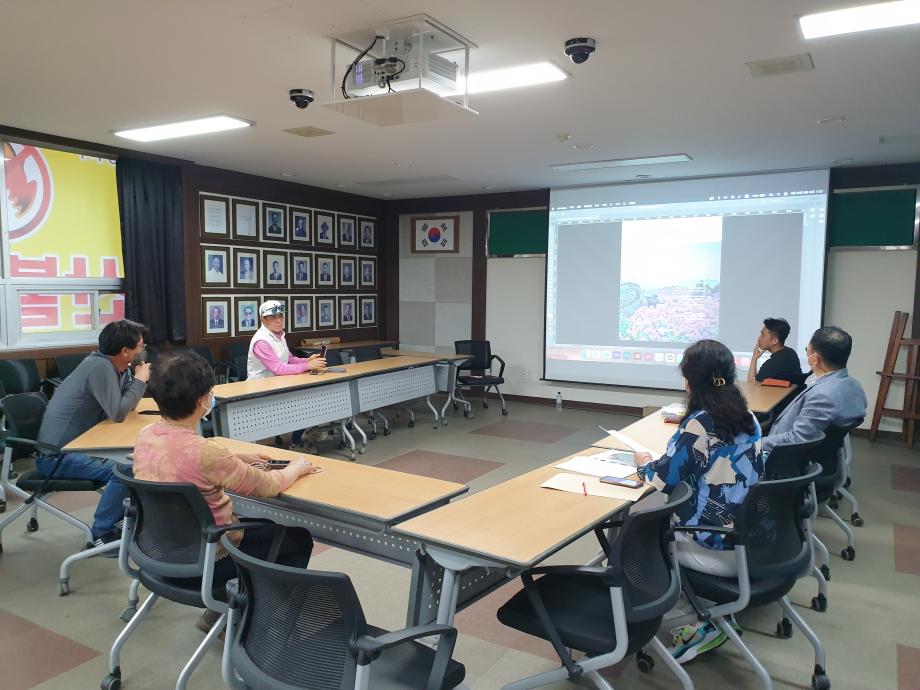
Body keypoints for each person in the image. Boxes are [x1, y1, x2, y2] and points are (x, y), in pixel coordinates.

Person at [133, 350, 321, 632]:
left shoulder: (146, 435)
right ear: (201, 400)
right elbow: (268, 486)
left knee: (267, 529)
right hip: (210, 561)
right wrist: (296, 467)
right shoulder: (207, 453)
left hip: (161, 554)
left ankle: (217, 613)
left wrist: (236, 459)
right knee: (296, 538)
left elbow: (189, 458)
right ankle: (251, 620)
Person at [632, 339, 763, 663]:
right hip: (756, 541)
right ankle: (710, 610)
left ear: (691, 381)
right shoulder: (750, 418)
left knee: (639, 534)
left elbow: (661, 479)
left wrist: (642, 461)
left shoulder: (701, 424)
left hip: (718, 547)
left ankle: (696, 621)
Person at [35, 320, 151, 550]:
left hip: (79, 446)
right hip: (57, 457)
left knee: (134, 460)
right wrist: (140, 380)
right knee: (126, 469)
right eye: (139, 346)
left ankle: (119, 518)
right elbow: (118, 412)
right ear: (124, 351)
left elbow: (128, 405)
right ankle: (101, 533)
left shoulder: (111, 366)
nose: (142, 350)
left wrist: (132, 377)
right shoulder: (100, 368)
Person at [762, 326, 867, 456]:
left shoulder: (823, 396)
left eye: (807, 350)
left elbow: (796, 439)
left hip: (781, 457)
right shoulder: (855, 386)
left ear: (815, 359)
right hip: (820, 453)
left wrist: (756, 444)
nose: (807, 354)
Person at [247, 300, 326, 450]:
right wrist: (307, 366)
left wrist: (307, 360)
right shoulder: (261, 341)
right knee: (303, 403)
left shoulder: (278, 335)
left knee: (311, 398)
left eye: (280, 316)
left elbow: (288, 359)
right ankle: (298, 440)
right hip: (262, 389)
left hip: (278, 383)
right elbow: (278, 368)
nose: (278, 320)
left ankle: (302, 434)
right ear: (263, 320)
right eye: (273, 317)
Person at [747, 317, 804, 383]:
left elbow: (752, 385)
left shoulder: (772, 365)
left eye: (762, 335)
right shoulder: (791, 353)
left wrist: (754, 357)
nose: (759, 338)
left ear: (775, 341)